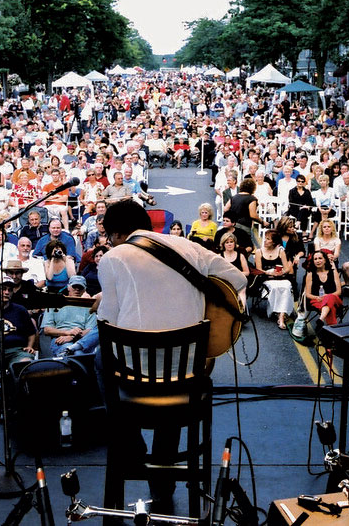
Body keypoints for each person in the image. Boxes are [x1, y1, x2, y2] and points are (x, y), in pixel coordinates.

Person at [97, 200, 247, 506]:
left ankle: (132, 444)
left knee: (101, 360)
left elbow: (106, 322)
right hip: (187, 378)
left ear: (115, 234)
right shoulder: (189, 247)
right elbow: (239, 280)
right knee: (176, 372)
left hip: (134, 379)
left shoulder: (112, 258)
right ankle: (163, 479)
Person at [42, 275, 98, 357]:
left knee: (79, 353)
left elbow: (90, 330)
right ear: (68, 287)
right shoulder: (54, 303)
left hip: (82, 340)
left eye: (80, 287)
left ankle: (74, 348)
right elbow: (47, 330)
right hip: (60, 339)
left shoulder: (88, 306)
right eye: (74, 286)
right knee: (76, 354)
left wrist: (73, 337)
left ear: (84, 290)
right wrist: (67, 333)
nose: (77, 289)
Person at [255, 230, 294, 330]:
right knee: (275, 287)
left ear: (274, 242)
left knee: (286, 286)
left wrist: (282, 272)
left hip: (280, 277)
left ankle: (281, 316)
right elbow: (258, 269)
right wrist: (269, 272)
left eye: (268, 239)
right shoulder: (259, 252)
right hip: (267, 277)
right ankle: (277, 312)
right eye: (265, 238)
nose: (265, 241)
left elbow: (287, 268)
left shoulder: (281, 251)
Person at [303, 250, 343, 327]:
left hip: (334, 299)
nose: (318, 261)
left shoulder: (333, 272)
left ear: (325, 260)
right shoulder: (310, 274)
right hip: (317, 300)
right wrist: (317, 297)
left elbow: (339, 291)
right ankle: (331, 329)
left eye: (320, 258)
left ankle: (321, 318)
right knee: (330, 308)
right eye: (315, 259)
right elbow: (308, 294)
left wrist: (326, 297)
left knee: (330, 297)